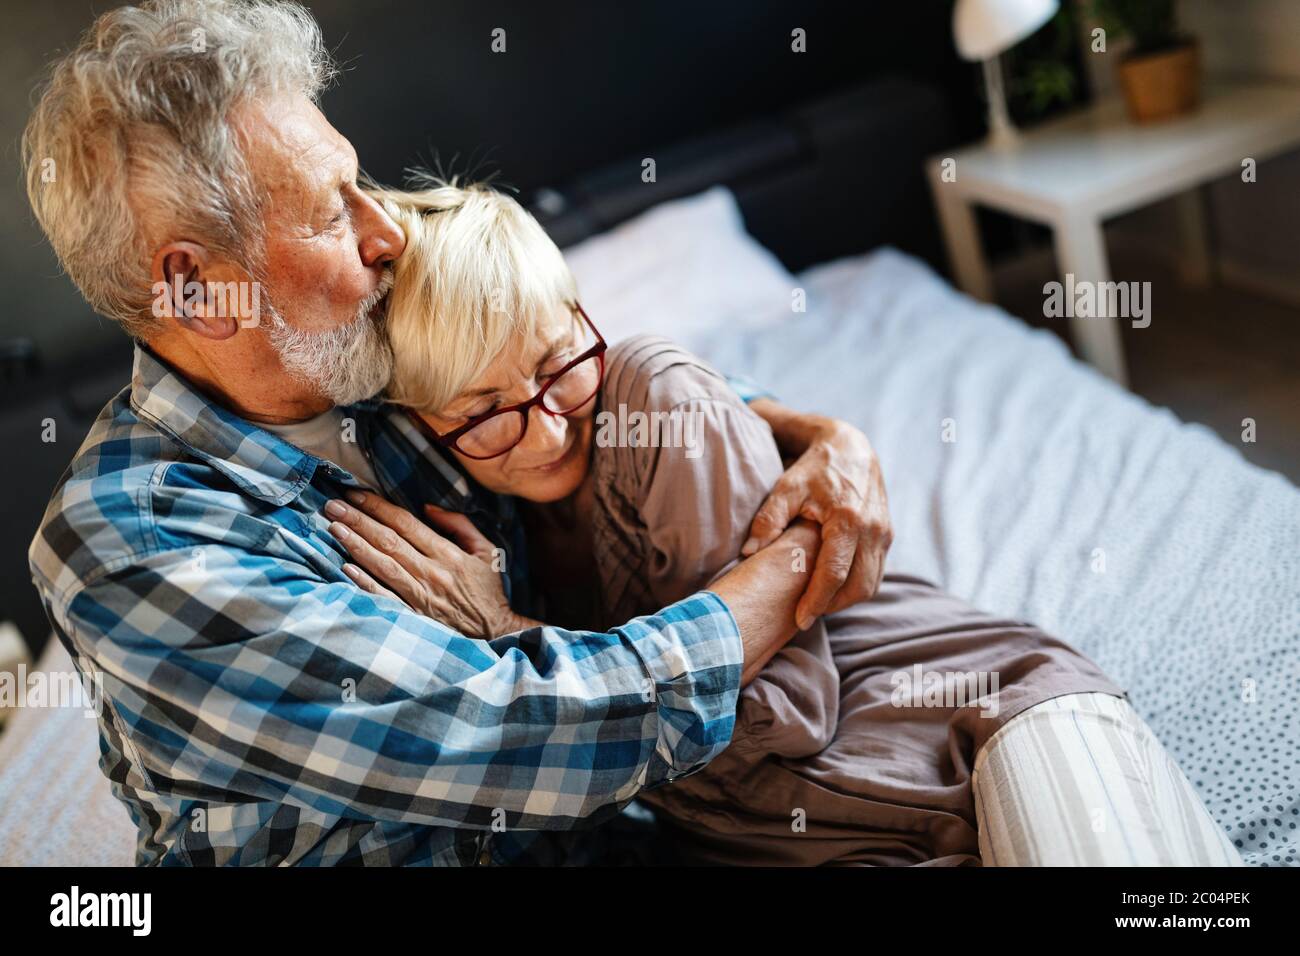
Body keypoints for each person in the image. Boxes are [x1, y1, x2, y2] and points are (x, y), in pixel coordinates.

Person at [22, 0, 892, 865]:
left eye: (358, 183)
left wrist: (819, 438)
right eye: (330, 214)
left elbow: (573, 378)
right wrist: (800, 559)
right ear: (201, 290)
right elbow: (531, 740)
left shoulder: (354, 343)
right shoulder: (131, 540)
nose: (386, 229)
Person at [339, 179, 1245, 866]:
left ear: (584, 317)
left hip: (987, 718)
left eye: (557, 361)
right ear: (428, 427)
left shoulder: (655, 397)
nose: (547, 423)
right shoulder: (488, 523)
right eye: (488, 409)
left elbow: (784, 718)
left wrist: (512, 640)